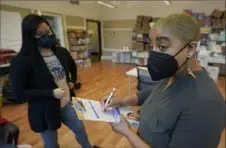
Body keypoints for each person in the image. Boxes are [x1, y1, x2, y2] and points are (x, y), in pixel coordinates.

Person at [101, 13, 225, 148]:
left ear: (190, 48)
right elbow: (150, 94)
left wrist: (127, 132)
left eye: (163, 47)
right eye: (151, 47)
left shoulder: (205, 104)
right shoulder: (174, 74)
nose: (154, 54)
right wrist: (120, 101)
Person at [10, 14, 99, 148]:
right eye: (39, 34)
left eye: (47, 31)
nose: (46, 36)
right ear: (30, 36)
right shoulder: (22, 61)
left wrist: (72, 80)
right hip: (45, 110)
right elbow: (20, 94)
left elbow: (72, 66)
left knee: (80, 129)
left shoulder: (61, 52)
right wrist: (50, 93)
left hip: (67, 103)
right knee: (51, 143)